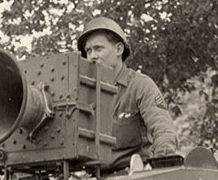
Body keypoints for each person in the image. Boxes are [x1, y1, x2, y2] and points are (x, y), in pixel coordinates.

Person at [76, 16, 179, 171]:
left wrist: (160, 164)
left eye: (98, 48)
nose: (92, 56)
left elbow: (163, 130)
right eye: (88, 51)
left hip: (134, 176)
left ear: (119, 49)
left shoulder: (139, 85)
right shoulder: (84, 93)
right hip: (94, 179)